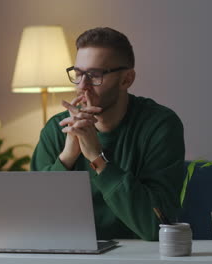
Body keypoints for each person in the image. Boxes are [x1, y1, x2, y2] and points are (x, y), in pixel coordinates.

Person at [30, 27, 185, 241]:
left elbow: (156, 226)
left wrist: (97, 159)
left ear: (126, 80)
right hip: (66, 251)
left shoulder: (160, 126)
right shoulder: (57, 128)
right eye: (77, 74)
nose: (82, 87)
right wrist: (66, 158)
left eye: (94, 76)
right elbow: (32, 220)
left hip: (139, 255)